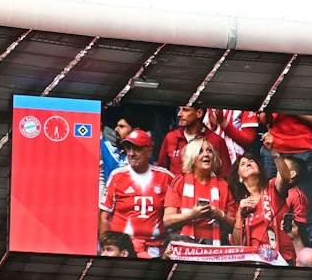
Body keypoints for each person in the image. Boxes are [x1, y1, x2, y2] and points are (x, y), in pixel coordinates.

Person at [100, 129, 174, 258]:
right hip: (122, 250)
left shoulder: (165, 177)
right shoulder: (117, 176)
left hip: (155, 249)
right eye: (128, 149)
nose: (131, 153)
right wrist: (106, 247)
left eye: (137, 149)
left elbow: (175, 216)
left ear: (149, 151)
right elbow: (105, 216)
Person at [162, 142, 234, 246]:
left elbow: (235, 227)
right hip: (184, 243)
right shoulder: (179, 182)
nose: (206, 154)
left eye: (209, 151)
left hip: (215, 247)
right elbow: (167, 221)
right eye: (200, 151)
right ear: (191, 158)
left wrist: (219, 215)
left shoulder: (224, 186)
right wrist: (192, 215)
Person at [158, 106, 230, 182]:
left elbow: (225, 176)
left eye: (185, 110)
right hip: (175, 192)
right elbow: (161, 172)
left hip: (205, 191)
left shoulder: (216, 141)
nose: (179, 114)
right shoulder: (171, 138)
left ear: (199, 113)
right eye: (179, 110)